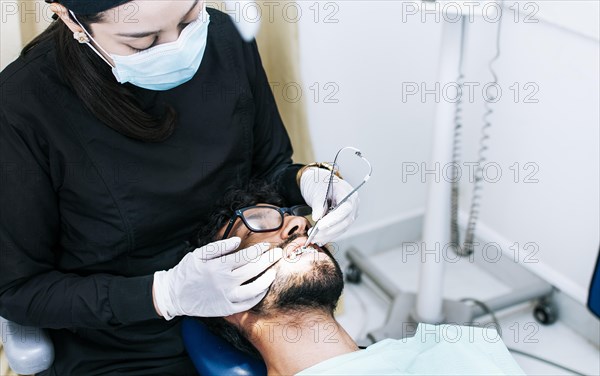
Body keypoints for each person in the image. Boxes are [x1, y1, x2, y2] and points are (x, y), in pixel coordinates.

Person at [0, 1, 358, 374]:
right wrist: (164, 294)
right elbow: (19, 290)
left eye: (188, 19)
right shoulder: (22, 107)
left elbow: (269, 169)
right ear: (69, 17)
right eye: (144, 42)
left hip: (250, 310)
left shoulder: (223, 38)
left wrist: (307, 181)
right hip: (125, 343)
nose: (179, 47)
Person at [195, 183, 526, 375]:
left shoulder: (454, 350)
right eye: (259, 223)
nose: (298, 223)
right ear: (228, 298)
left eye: (292, 216)